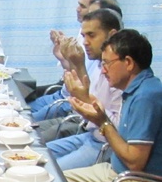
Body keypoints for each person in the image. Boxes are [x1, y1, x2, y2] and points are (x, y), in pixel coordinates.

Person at [63, 29, 162, 182]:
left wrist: (102, 122)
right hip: (118, 172)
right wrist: (97, 113)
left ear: (129, 63)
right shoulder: (138, 89)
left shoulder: (147, 97)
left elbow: (135, 162)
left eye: (107, 63)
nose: (103, 70)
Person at [44, 10, 123, 170]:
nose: (85, 42)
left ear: (112, 35)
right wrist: (73, 62)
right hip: (89, 135)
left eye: (91, 35)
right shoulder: (99, 63)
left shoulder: (119, 72)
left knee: (50, 173)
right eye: (83, 36)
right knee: (36, 155)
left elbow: (119, 129)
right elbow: (85, 105)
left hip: (105, 145)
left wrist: (79, 66)